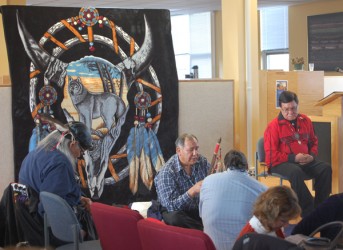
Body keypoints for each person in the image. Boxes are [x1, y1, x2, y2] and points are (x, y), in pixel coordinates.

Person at [16, 121, 95, 247]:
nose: (80, 155)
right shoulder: (60, 164)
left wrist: (79, 198)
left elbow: (50, 191)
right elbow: (51, 207)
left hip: (28, 218)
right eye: (82, 150)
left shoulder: (36, 153)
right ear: (73, 144)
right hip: (45, 227)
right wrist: (78, 232)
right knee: (96, 228)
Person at [264, 90, 332, 217]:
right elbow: (271, 156)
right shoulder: (273, 126)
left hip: (305, 160)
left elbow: (314, 141)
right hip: (281, 162)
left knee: (326, 168)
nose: (290, 113)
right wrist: (294, 158)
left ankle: (321, 208)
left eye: (293, 108)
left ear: (298, 105)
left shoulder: (305, 120)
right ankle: (308, 212)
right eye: (286, 109)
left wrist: (312, 155)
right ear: (280, 108)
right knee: (296, 172)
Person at [199, 149, 267, 250]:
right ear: (247, 166)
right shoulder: (262, 189)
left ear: (225, 166)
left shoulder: (207, 181)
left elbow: (201, 214)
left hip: (210, 246)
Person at [154, 133, 210, 230]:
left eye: (197, 148)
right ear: (179, 151)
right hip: (178, 211)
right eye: (191, 150)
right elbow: (170, 206)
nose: (195, 153)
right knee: (175, 218)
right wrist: (192, 191)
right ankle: (204, 232)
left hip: (198, 208)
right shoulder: (167, 172)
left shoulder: (202, 162)